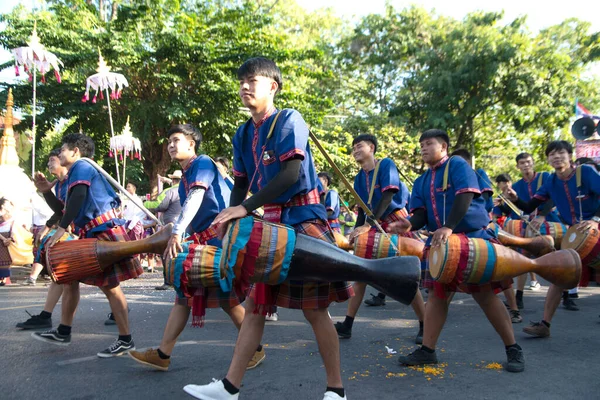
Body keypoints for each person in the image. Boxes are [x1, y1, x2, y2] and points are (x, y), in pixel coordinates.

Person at [182, 57, 353, 400]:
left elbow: (290, 174)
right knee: (256, 305)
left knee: (315, 310)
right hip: (272, 224)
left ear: (272, 86)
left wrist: (243, 208)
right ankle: (230, 388)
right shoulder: (244, 132)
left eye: (252, 80)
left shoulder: (290, 119)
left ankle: (337, 391)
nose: (245, 86)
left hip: (303, 220)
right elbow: (241, 183)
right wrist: (231, 217)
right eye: (241, 81)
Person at [128, 124, 263, 371]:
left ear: (191, 144)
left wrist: (177, 233)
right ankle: (163, 354)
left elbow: (197, 197)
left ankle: (254, 349)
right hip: (208, 240)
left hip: (222, 240)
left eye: (176, 140)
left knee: (227, 299)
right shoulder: (186, 176)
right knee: (185, 298)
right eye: (168, 140)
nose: (170, 144)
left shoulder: (202, 163)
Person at [392, 129, 524, 373]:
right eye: (421, 144)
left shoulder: (457, 165)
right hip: (443, 246)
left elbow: (465, 197)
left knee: (484, 296)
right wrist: (409, 224)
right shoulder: (422, 181)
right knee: (437, 296)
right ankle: (428, 351)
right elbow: (421, 215)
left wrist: (449, 227)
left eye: (428, 143)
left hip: (472, 241)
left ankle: (513, 348)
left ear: (444, 146)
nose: (423, 148)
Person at [31, 133, 142, 357]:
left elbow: (79, 197)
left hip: (104, 230)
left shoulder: (81, 166)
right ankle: (63, 330)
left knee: (110, 286)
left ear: (75, 152)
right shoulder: (69, 177)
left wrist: (62, 228)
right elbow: (63, 208)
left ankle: (125, 339)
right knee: (69, 279)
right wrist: (45, 192)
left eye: (62, 149)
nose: (58, 154)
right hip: (90, 232)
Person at [334, 133, 426, 343]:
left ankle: (424, 323)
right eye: (354, 148)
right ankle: (347, 324)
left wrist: (368, 223)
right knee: (361, 273)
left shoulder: (385, 165)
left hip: (394, 223)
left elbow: (388, 196)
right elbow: (361, 212)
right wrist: (354, 233)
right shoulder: (359, 177)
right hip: (373, 225)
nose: (355, 150)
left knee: (406, 277)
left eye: (360, 146)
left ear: (372, 148)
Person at [505, 140, 600, 337]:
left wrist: (596, 220)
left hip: (596, 229)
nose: (557, 157)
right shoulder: (550, 181)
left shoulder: (586, 173)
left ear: (570, 155)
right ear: (548, 159)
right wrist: (515, 199)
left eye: (561, 153)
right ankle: (544, 325)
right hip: (574, 236)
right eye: (552, 154)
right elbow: (530, 207)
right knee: (561, 272)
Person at [450, 149, 522, 324]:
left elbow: (488, 204)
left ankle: (514, 309)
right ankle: (437, 305)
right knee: (450, 269)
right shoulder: (451, 178)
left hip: (482, 229)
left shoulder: (478, 173)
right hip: (458, 231)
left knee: (501, 271)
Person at [16, 150, 69, 329]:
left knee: (108, 283)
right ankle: (53, 321)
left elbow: (74, 207)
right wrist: (46, 192)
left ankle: (121, 318)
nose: (48, 163)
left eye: (52, 159)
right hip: (75, 231)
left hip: (92, 230)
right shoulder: (60, 184)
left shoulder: (74, 179)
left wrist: (58, 230)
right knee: (63, 276)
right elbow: (61, 210)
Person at [146, 170, 182, 290]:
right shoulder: (188, 190)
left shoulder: (170, 191)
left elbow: (158, 205)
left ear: (173, 180)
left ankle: (168, 282)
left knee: (167, 253)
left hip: (170, 227)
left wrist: (145, 203)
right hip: (185, 226)